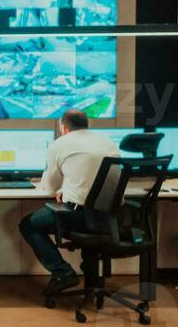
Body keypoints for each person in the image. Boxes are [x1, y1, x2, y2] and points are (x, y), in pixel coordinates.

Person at [17, 109, 119, 295]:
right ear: (88, 125)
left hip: (78, 216)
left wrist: (62, 188)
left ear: (63, 127)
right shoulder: (108, 143)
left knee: (28, 225)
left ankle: (62, 272)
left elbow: (49, 187)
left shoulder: (59, 144)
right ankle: (91, 277)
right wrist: (68, 187)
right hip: (109, 217)